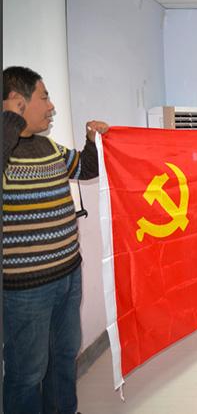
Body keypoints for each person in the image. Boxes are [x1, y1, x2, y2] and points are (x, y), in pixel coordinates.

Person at [3, 66, 109, 414]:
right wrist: (9, 120)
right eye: (44, 97)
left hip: (68, 276)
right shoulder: (6, 152)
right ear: (17, 101)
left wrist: (91, 140)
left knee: (64, 358)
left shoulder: (48, 146)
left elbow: (86, 169)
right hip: (26, 290)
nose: (51, 107)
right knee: (27, 373)